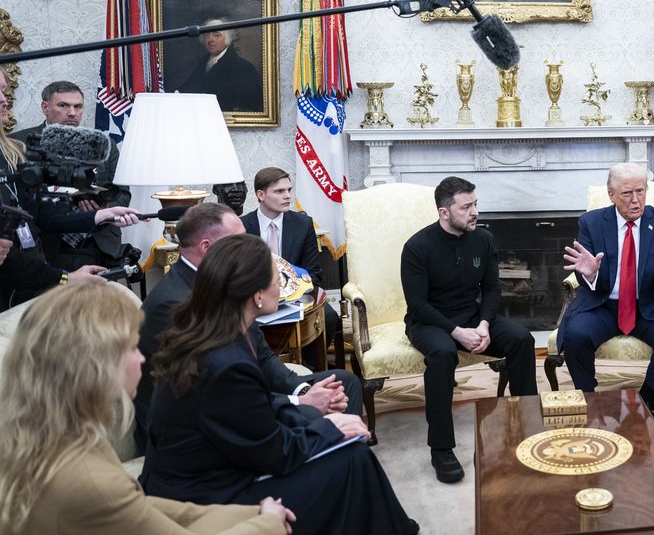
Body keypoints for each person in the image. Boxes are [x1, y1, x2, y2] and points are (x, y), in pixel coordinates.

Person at [141, 235, 417, 535]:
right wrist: (329, 428)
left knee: (348, 451)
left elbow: (254, 407)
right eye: (279, 279)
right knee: (352, 459)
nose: (285, 287)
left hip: (213, 466)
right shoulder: (226, 359)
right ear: (256, 294)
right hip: (204, 495)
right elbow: (275, 453)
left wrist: (311, 415)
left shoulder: (217, 330)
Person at [0, 283, 294, 535]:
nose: (142, 358)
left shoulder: (52, 437)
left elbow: (144, 509)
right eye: (131, 348)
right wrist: (268, 522)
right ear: (94, 366)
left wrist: (249, 514)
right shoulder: (88, 478)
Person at [134, 203, 362, 454]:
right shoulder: (175, 304)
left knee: (344, 383)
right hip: (197, 432)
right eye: (239, 240)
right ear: (208, 248)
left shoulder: (222, 280)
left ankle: (336, 451)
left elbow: (261, 354)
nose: (249, 246)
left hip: (238, 397)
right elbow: (221, 397)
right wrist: (302, 402)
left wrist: (304, 389)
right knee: (349, 454)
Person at [400, 176, 537, 483]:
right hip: (430, 321)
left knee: (522, 340)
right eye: (466, 207)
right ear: (444, 212)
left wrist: (485, 324)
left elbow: (491, 289)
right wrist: (457, 331)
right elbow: (418, 304)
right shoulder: (417, 247)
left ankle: (526, 425)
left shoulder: (483, 239)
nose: (475, 212)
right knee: (442, 353)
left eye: (476, 204)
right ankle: (441, 448)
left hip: (473, 316)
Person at [560, 164, 654, 422]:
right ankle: (590, 398)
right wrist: (590, 274)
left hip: (649, 304)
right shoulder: (591, 222)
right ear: (611, 194)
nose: (636, 200)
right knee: (575, 335)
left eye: (641, 191)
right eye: (627, 193)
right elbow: (584, 267)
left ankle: (647, 396)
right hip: (602, 304)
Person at [12, 81, 133, 271]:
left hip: (98, 245)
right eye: (63, 105)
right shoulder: (19, 145)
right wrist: (72, 197)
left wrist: (103, 205)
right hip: (49, 246)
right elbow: (17, 198)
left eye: (78, 106)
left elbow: (123, 195)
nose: (72, 113)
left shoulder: (103, 144)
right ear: (45, 107)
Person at [241, 167, 338, 367]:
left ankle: (310, 372)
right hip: (255, 299)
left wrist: (290, 294)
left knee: (329, 316)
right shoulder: (242, 226)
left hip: (296, 296)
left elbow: (314, 274)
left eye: (289, 190)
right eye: (279, 191)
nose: (287, 196)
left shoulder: (303, 224)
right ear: (260, 195)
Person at [177, 19, 262, 112]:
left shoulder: (243, 67)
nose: (210, 39)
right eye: (206, 34)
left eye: (217, 35)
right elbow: (190, 88)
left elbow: (247, 104)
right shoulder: (203, 63)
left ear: (227, 39)